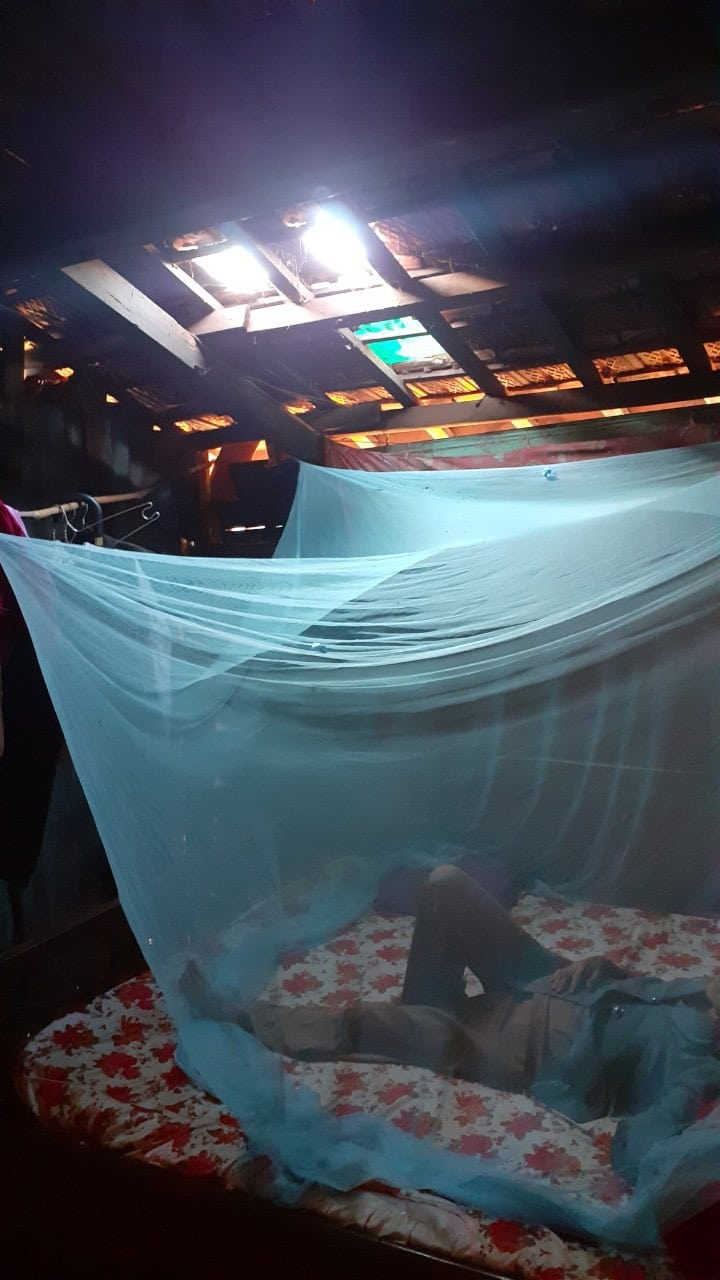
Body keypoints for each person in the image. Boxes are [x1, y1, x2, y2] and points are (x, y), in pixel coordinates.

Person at [183, 865, 720, 1182]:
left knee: (378, 1025)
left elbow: (637, 1155)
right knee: (444, 884)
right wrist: (598, 970)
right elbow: (635, 993)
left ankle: (242, 1017)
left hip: (523, 1047)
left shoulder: (695, 1065)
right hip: (540, 977)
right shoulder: (698, 991)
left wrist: (693, 1136)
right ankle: (425, 1004)